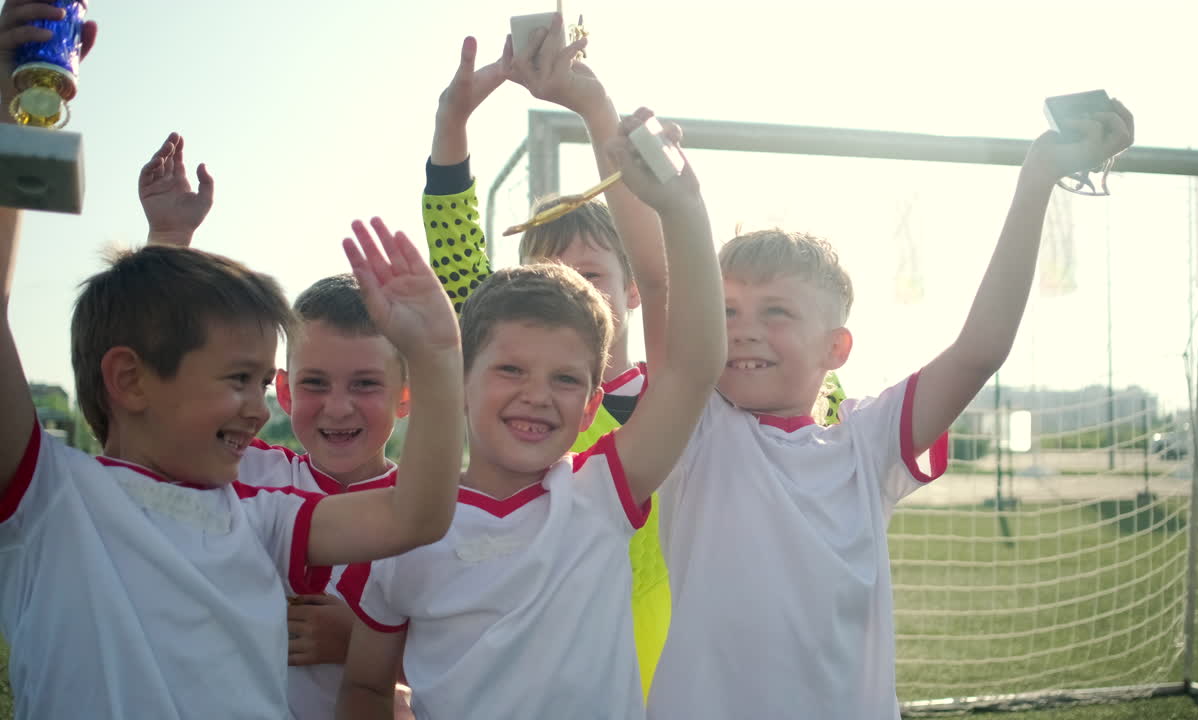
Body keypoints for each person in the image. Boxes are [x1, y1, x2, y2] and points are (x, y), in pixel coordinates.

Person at [0, 11, 464, 709]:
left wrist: (437, 358)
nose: (260, 405)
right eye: (239, 379)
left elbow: (417, 516)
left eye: (259, 379)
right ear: (127, 381)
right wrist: (12, 103)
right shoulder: (53, 498)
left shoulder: (261, 514)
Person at [645, 102, 1136, 720]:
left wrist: (1037, 178)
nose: (744, 330)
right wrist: (661, 187)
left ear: (836, 349)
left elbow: (979, 350)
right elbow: (662, 286)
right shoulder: (696, 429)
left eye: (776, 311)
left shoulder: (866, 443)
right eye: (727, 311)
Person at [337, 109, 725, 719]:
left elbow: (695, 367)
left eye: (566, 378)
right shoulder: (401, 524)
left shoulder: (602, 492)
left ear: (591, 403)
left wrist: (683, 206)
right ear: (461, 380)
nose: (537, 395)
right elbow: (364, 688)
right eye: (511, 370)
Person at [140, 134, 416, 720]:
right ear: (284, 392)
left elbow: (475, 655)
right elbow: (156, 410)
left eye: (365, 384)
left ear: (406, 395)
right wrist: (169, 244)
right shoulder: (248, 470)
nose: (338, 408)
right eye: (315, 383)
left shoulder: (434, 510)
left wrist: (368, 650)